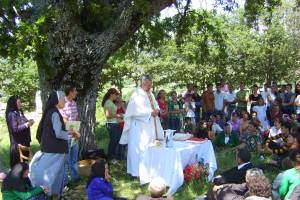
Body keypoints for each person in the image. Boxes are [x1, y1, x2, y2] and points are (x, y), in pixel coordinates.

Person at [30, 91, 80, 197]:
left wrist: (71, 132)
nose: (64, 102)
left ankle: (53, 193)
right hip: (54, 150)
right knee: (53, 174)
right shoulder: (54, 113)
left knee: (55, 173)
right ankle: (46, 193)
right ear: (57, 101)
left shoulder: (52, 112)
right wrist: (71, 134)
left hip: (52, 148)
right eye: (62, 100)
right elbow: (58, 133)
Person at [119, 75, 164, 177]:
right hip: (138, 128)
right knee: (139, 149)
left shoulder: (150, 94)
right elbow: (135, 111)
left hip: (149, 126)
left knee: (149, 147)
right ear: (143, 83)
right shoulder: (137, 95)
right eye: (149, 85)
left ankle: (148, 170)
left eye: (151, 85)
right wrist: (150, 112)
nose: (150, 87)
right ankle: (136, 172)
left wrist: (157, 110)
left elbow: (155, 104)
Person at [5, 96, 34, 168]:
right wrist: (27, 124)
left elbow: (24, 121)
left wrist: (29, 121)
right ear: (13, 103)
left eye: (20, 102)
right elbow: (14, 129)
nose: (20, 104)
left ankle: (23, 177)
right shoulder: (11, 114)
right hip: (17, 143)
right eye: (18, 102)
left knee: (24, 164)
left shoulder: (19, 112)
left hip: (24, 141)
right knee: (17, 166)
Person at [60, 86, 80, 184]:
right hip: (66, 137)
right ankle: (65, 182)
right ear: (70, 92)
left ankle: (75, 178)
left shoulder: (74, 103)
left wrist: (76, 131)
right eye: (75, 91)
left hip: (74, 136)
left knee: (74, 159)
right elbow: (64, 121)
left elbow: (76, 117)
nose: (76, 92)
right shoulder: (62, 103)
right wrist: (75, 132)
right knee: (66, 160)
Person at [102, 88, 123, 161]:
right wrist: (118, 115)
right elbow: (108, 115)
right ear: (111, 94)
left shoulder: (110, 102)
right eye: (116, 94)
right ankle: (109, 157)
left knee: (115, 141)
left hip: (114, 124)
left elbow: (112, 114)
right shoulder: (108, 102)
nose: (117, 96)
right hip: (111, 125)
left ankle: (112, 156)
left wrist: (120, 118)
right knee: (113, 142)